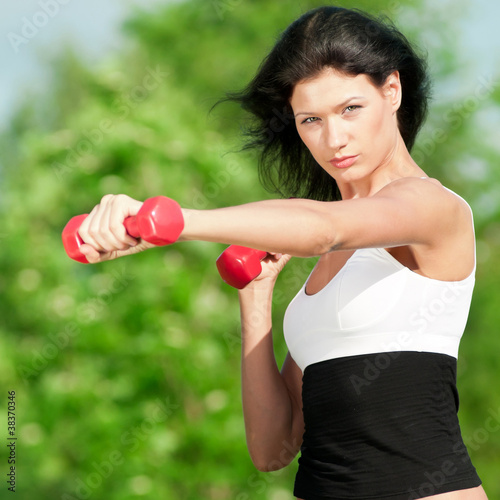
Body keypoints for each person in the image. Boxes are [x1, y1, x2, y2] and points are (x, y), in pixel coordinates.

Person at [74, 6, 488, 500]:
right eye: (311, 119)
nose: (333, 138)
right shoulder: (329, 268)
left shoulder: (431, 207)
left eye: (350, 108)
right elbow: (273, 449)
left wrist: (176, 221)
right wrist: (255, 300)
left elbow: (322, 227)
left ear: (391, 90)